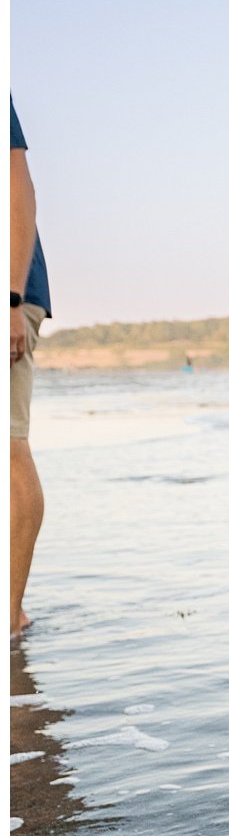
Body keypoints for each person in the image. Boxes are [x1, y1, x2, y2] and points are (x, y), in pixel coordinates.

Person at [10, 97, 52, 640]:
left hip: (9, 298)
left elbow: (17, 186)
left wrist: (12, 298)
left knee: (9, 445)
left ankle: (9, 613)